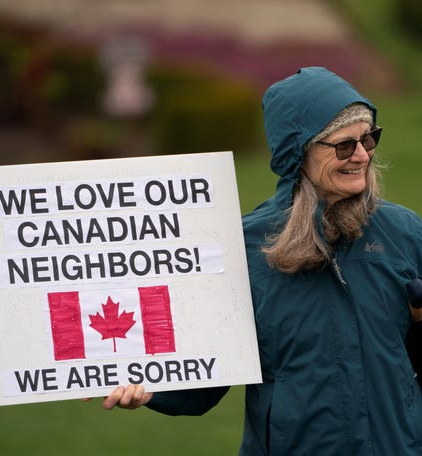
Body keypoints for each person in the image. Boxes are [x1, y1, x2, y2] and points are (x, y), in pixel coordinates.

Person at [97, 67, 422, 455]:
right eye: (343, 145)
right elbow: (204, 379)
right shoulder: (243, 247)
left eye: (368, 138)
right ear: (298, 152)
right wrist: (148, 387)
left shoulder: (404, 232)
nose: (362, 155)